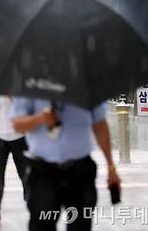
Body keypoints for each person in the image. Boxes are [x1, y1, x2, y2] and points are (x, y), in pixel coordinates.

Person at [12, 99, 121, 231]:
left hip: (80, 172)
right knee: (41, 225)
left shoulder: (88, 83)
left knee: (80, 226)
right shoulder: (30, 84)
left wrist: (111, 167)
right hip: (42, 173)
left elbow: (99, 123)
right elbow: (17, 125)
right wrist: (40, 119)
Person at [0, 85, 27, 225]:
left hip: (18, 134)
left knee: (26, 173)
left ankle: (34, 204)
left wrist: (12, 95)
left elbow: (27, 107)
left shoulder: (21, 82)